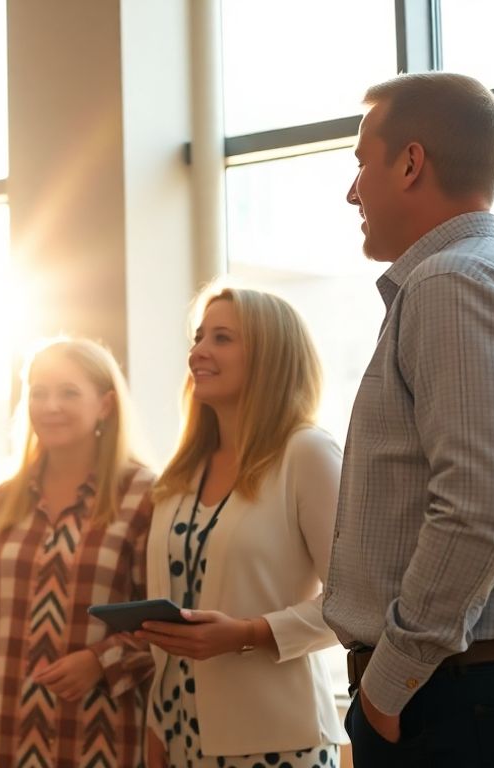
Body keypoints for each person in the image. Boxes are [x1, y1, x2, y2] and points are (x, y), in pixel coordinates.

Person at [323, 72, 494, 767]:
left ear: (410, 163)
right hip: (465, 693)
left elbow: (480, 510)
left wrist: (386, 686)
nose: (352, 192)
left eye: (360, 163)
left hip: (451, 701)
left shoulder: (451, 283)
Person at [135, 287, 346, 768]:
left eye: (222, 338)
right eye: (199, 336)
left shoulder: (307, 453)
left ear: (271, 357)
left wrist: (249, 633)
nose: (199, 351)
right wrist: (157, 726)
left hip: (278, 740)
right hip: (178, 736)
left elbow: (355, 604)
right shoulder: (184, 470)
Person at [0, 338, 155, 768]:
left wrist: (102, 660)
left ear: (105, 405)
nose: (50, 405)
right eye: (38, 392)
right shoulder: (5, 499)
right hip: (5, 733)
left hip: (103, 735)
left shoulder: (145, 494)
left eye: (68, 392)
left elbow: (166, 620)